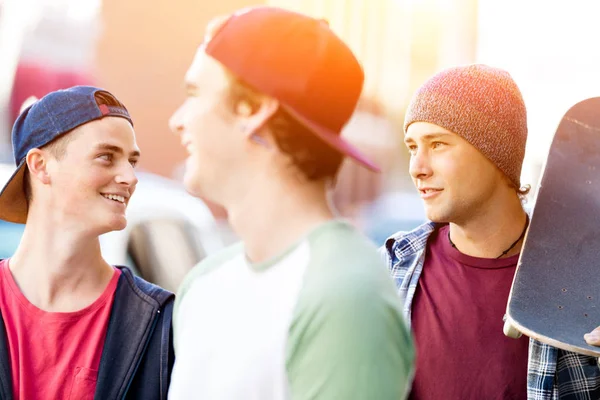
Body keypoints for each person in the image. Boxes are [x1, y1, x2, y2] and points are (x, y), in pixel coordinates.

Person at [167, 6, 414, 400]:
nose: (177, 120)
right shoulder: (201, 286)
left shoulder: (345, 297)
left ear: (255, 109)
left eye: (195, 93)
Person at [382, 64, 600, 399]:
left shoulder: (584, 284)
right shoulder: (388, 270)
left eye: (437, 144)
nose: (417, 168)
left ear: (495, 153)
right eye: (413, 147)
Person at [0, 86, 174, 399]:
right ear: (40, 165)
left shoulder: (163, 323)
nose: (130, 177)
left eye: (131, 161)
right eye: (106, 157)